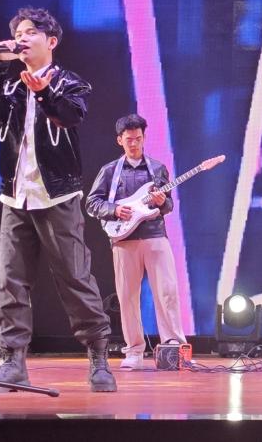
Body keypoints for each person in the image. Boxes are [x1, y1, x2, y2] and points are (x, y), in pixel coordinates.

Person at [0, 6, 116, 393]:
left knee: (75, 277)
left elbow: (71, 115)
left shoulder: (70, 82)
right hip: (15, 196)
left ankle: (98, 356)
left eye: (30, 32)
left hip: (57, 195)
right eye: (18, 32)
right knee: (10, 281)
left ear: (51, 41)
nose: (22, 37)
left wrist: (44, 92)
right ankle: (12, 361)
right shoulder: (9, 84)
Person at [86, 114, 186, 370]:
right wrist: (114, 210)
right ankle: (134, 351)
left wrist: (163, 202)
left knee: (167, 292)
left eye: (138, 139)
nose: (134, 144)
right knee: (128, 297)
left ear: (144, 138)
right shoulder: (110, 171)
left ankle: (174, 348)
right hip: (124, 239)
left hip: (155, 236)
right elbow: (92, 203)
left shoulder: (157, 168)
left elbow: (169, 205)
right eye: (129, 139)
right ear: (119, 140)